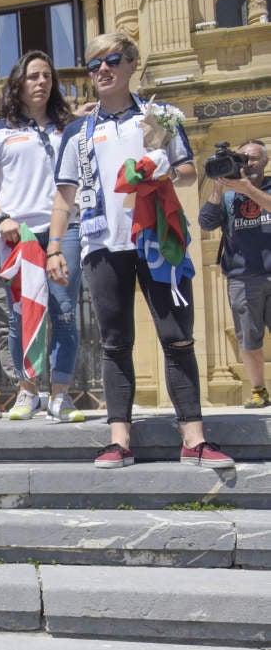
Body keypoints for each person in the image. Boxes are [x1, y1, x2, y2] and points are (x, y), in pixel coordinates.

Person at [51, 32, 233, 469]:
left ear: (132, 64)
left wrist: (160, 166)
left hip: (158, 239)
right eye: (94, 65)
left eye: (112, 60)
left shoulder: (161, 116)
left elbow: (189, 172)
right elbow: (63, 196)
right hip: (102, 243)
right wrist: (55, 247)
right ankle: (119, 441)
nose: (102, 70)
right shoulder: (78, 131)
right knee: (115, 344)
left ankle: (194, 438)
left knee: (177, 337)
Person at [0, 49, 86, 422]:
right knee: (23, 314)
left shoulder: (66, 128)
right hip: (17, 234)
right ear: (18, 82)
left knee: (65, 311)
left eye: (47, 76)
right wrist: (0, 218)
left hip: (63, 227)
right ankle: (27, 391)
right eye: (34, 76)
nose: (41, 82)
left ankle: (61, 395)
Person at [198, 138, 271, 408]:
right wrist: (218, 186)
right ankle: (259, 390)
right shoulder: (228, 196)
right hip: (242, 278)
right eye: (241, 159)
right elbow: (205, 222)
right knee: (249, 339)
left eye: (252, 159)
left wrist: (248, 189)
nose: (246, 164)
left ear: (264, 161)